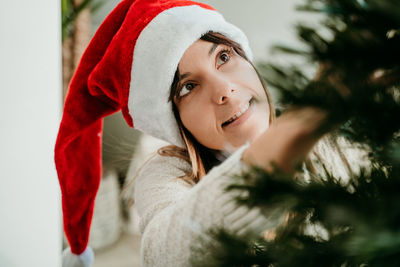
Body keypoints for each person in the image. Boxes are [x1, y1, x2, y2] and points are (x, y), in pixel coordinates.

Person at [55, 0, 364, 266]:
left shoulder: (336, 147)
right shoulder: (166, 175)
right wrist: (303, 122)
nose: (224, 91)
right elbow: (165, 255)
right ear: (173, 121)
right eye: (188, 87)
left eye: (224, 57)